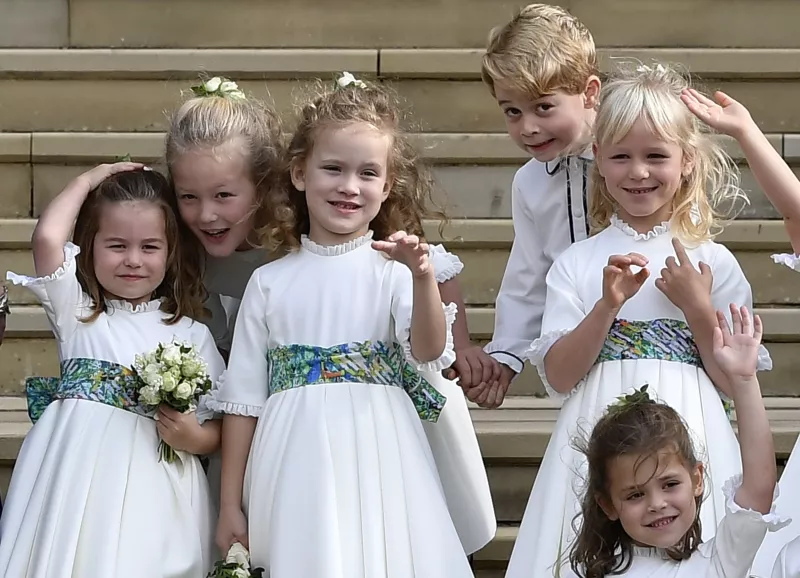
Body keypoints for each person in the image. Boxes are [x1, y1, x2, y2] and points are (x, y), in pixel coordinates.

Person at [506, 62, 771, 577]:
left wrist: (698, 308)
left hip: (695, 424)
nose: (639, 172)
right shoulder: (579, 263)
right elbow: (559, 377)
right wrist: (606, 307)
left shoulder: (714, 262)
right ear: (599, 159)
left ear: (687, 161)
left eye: (656, 156)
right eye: (622, 156)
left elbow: (735, 381)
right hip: (598, 425)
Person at [208, 75, 475, 577]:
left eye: (367, 173)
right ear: (300, 172)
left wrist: (422, 278)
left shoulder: (394, 273)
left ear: (386, 185)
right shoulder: (269, 282)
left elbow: (429, 349)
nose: (349, 186)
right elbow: (243, 401)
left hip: (378, 450)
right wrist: (229, 505)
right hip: (293, 458)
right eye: (332, 168)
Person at [0, 163, 224, 577]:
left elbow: (219, 427)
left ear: (171, 252)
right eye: (117, 245)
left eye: (150, 247)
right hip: (78, 481)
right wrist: (89, 181)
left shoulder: (193, 335)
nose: (133, 261)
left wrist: (196, 437)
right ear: (90, 244)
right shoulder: (79, 313)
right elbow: (48, 238)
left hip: (156, 488)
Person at [566, 305, 788, 577]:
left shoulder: (719, 562)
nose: (657, 504)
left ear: (696, 479)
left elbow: (759, 489)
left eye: (670, 484)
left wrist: (743, 381)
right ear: (608, 505)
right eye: (635, 494)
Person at [476, 3, 601, 408]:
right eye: (512, 111)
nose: (527, 127)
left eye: (543, 107)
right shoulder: (529, 182)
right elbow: (528, 276)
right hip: (576, 349)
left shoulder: (637, 164)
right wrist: (507, 353)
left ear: (589, 93)